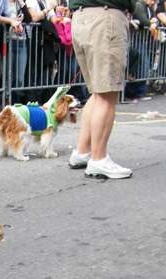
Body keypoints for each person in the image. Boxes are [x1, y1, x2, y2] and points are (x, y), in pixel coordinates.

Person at [67, 0, 135, 179]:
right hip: (105, 16)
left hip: (81, 16)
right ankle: (99, 159)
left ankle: (83, 152)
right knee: (107, 93)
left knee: (97, 93)